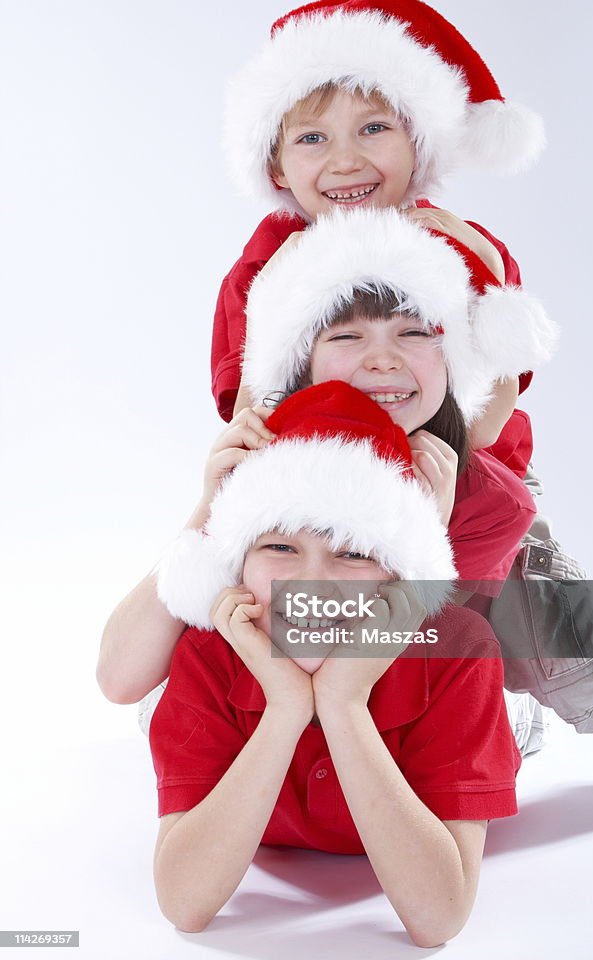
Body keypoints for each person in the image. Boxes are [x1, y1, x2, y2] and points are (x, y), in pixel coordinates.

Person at [209, 0, 593, 785]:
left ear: (418, 141)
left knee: (566, 651)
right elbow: (247, 404)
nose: (346, 159)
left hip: (471, 483)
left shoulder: (459, 250)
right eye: (313, 138)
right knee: (323, 645)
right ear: (276, 162)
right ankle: (431, 730)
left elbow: (495, 408)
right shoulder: (267, 268)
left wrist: (479, 265)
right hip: (338, 506)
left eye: (373, 129)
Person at [98, 209, 545, 755]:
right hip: (289, 720)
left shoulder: (486, 499)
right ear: (301, 362)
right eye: (347, 335)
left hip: (402, 718)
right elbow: (120, 679)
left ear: (453, 363)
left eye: (414, 332)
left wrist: (427, 541)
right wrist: (208, 511)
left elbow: (421, 668)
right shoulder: (268, 460)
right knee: (169, 692)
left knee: (554, 630)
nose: (383, 359)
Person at [150, 380, 521, 944]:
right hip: (233, 712)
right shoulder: (209, 648)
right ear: (238, 563)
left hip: (484, 716)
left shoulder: (460, 650)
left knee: (550, 643)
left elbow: (437, 920)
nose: (310, 582)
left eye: (352, 552)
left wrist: (344, 701)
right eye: (278, 547)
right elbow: (184, 904)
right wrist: (286, 706)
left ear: (397, 574)